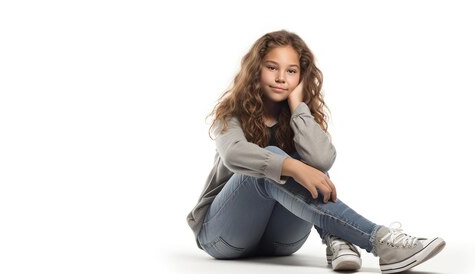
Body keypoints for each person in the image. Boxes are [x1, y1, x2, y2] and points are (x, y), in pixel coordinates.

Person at [186, 30, 445, 273]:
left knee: (309, 161)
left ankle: (336, 237)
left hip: (281, 243)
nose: (280, 78)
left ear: (301, 77)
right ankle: (378, 240)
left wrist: (299, 106)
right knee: (274, 160)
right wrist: (293, 167)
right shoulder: (231, 113)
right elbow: (233, 154)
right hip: (223, 236)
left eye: (291, 71)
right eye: (272, 68)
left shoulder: (301, 116)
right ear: (256, 70)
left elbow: (322, 160)